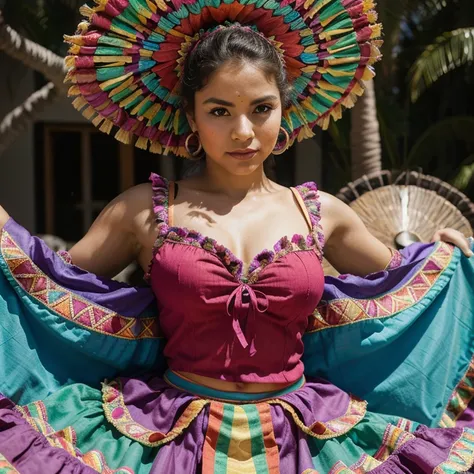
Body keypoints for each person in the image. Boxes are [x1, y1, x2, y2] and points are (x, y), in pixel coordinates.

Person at [1, 1, 474, 472]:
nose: (243, 132)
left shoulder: (323, 215)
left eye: (261, 108)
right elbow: (47, 289)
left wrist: (447, 258)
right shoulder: (141, 210)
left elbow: (405, 288)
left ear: (284, 109)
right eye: (220, 111)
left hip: (302, 443)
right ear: (191, 116)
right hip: (169, 441)